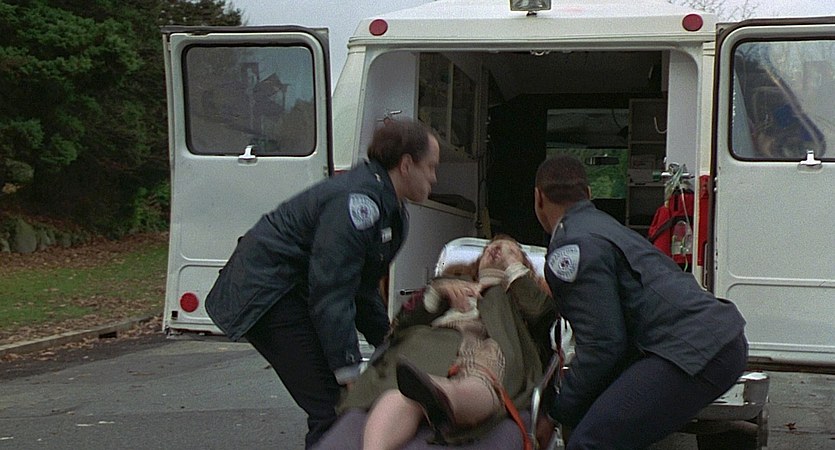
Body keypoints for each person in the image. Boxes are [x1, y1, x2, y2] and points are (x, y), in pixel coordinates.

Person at [205, 119, 440, 449]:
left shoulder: (389, 207)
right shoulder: (358, 203)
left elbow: (362, 287)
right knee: (332, 407)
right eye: (430, 167)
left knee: (338, 403)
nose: (434, 177)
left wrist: (389, 342)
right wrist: (347, 367)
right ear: (406, 164)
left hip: (294, 291)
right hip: (269, 294)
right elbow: (333, 290)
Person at [533, 155, 749, 449]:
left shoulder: (571, 246)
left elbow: (603, 345)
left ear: (538, 198)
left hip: (691, 349)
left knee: (590, 443)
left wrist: (556, 412)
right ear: (588, 194)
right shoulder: (604, 226)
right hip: (716, 339)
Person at [326, 235, 556, 450]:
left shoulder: (523, 294)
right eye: (490, 248)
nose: (497, 249)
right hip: (436, 346)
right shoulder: (451, 282)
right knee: (401, 394)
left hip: (491, 347)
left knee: (480, 376)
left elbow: (542, 314)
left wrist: (513, 268)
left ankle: (444, 395)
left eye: (511, 250)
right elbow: (399, 327)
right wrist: (436, 294)